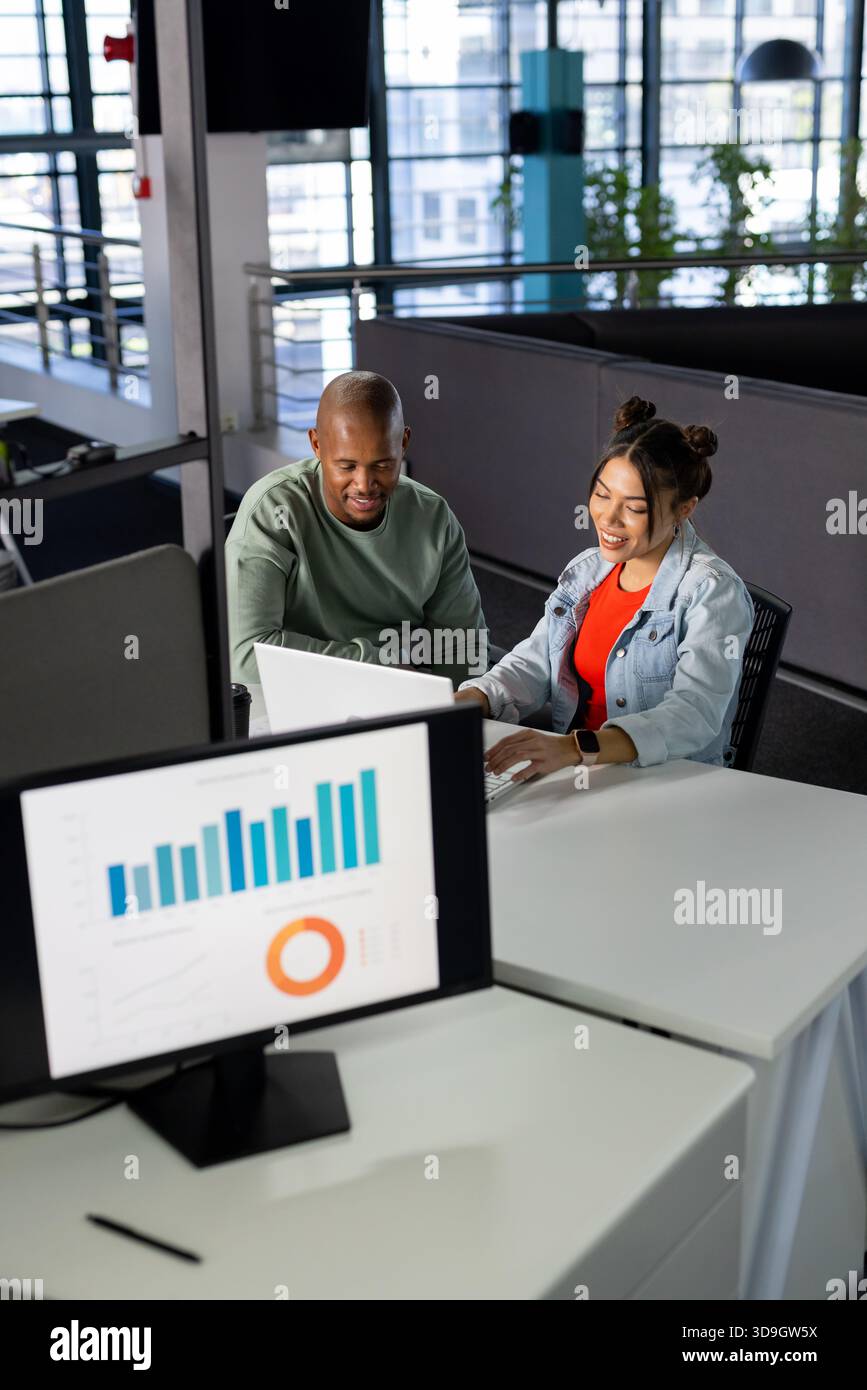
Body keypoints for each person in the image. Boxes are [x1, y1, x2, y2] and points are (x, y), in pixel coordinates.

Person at [455, 396, 754, 780]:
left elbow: (692, 715)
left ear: (684, 508)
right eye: (602, 495)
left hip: (664, 780)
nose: (608, 519)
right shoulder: (588, 571)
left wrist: (576, 747)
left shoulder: (712, 592)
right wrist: (472, 699)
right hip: (580, 770)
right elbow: (537, 661)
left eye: (634, 507)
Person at [226, 370, 487, 688]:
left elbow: (463, 648)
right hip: (307, 696)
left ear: (403, 443)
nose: (364, 485)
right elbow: (247, 660)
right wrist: (381, 665)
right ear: (317, 445)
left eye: (382, 465)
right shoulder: (271, 512)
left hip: (409, 690)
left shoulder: (433, 517)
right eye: (346, 466)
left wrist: (451, 713)